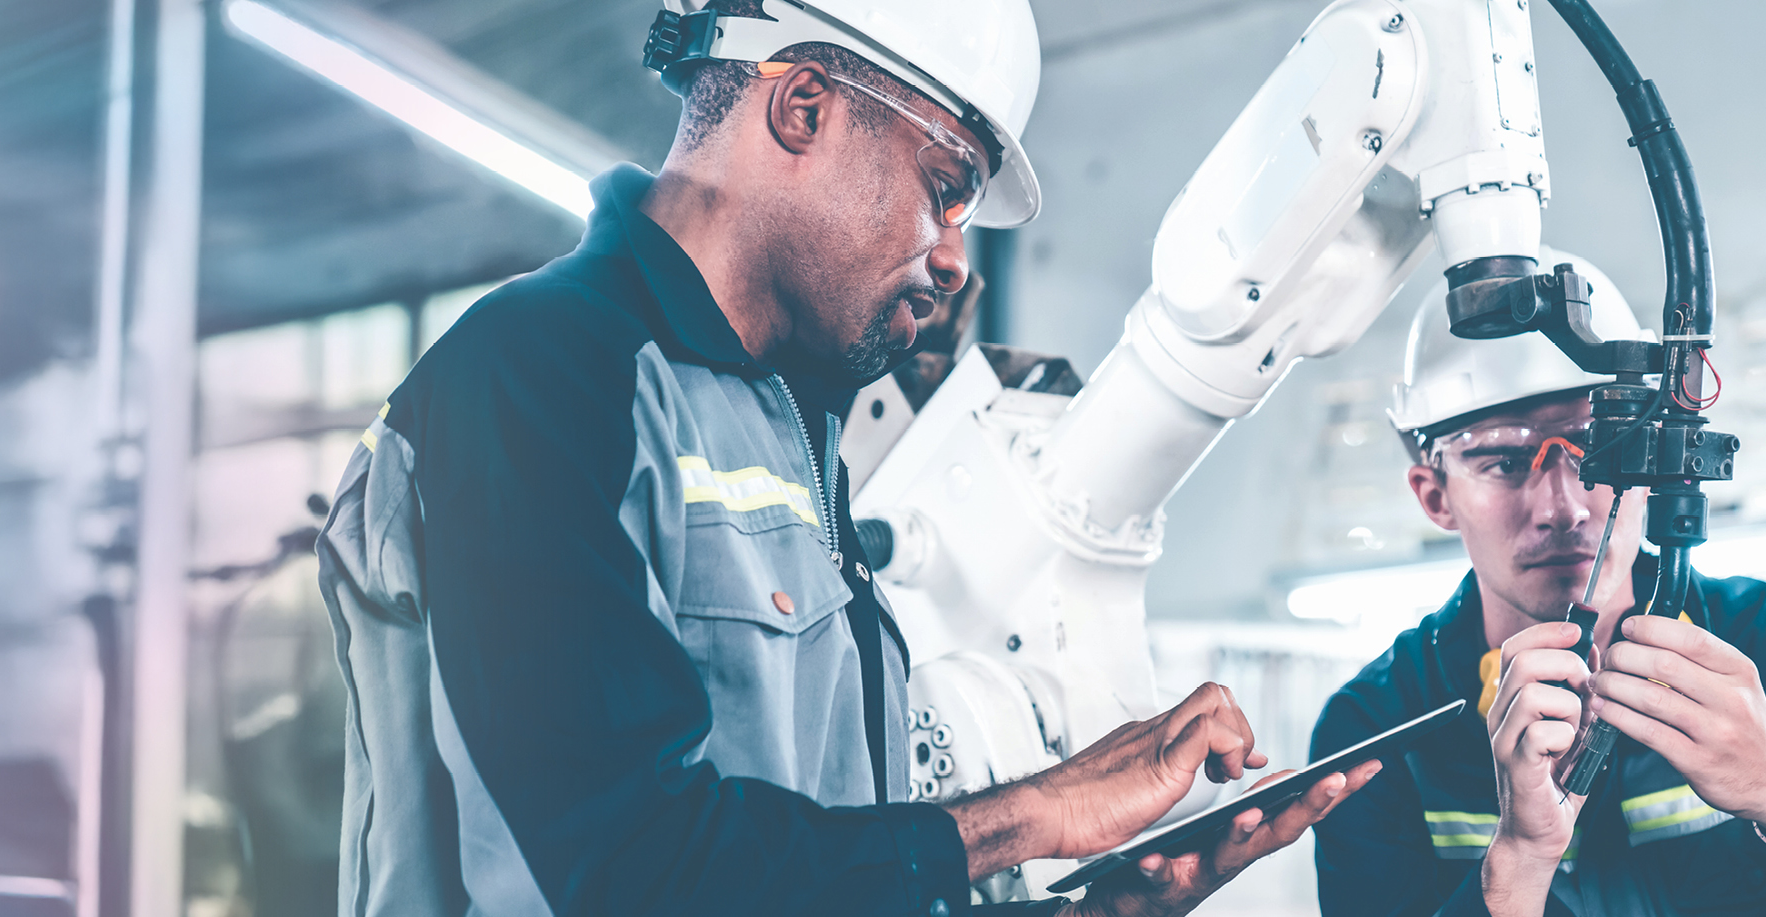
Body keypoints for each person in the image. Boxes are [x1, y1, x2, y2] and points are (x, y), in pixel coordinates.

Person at [314, 2, 1374, 914]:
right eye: (944, 185)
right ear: (803, 107)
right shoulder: (541, 376)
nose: (956, 259)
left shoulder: (789, 425)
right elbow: (629, 866)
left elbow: (822, 864)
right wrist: (1035, 813)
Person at [1308, 250, 1766, 917]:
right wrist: (1514, 869)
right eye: (1504, 462)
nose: (1563, 505)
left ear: (1655, 455)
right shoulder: (1376, 728)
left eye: (1599, 451)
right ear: (1433, 494)